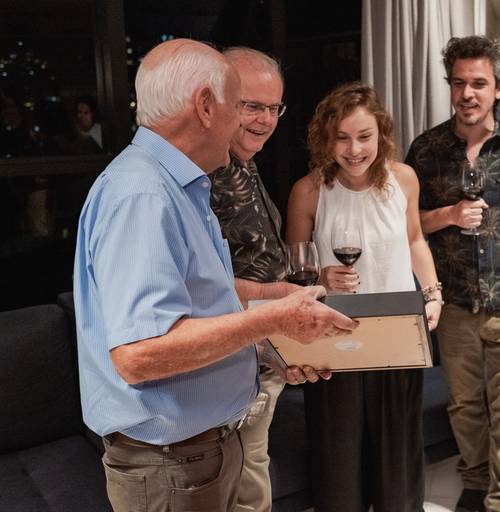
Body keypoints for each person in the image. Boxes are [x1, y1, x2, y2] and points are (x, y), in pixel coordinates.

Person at [73, 38, 357, 512]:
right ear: (206, 106)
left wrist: (266, 335)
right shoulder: (143, 195)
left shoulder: (180, 184)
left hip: (201, 450)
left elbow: (200, 296)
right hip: (171, 463)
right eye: (239, 104)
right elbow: (139, 354)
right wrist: (273, 319)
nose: (247, 122)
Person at [405, 35, 500, 512]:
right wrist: (449, 214)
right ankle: (475, 481)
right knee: (465, 405)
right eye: (458, 83)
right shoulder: (426, 149)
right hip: (453, 304)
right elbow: (407, 225)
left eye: (478, 83)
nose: (467, 93)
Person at [286, 81, 442, 512]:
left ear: (381, 134)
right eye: (342, 138)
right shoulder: (308, 191)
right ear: (326, 139)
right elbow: (294, 271)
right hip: (333, 341)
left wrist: (433, 293)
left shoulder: (404, 179)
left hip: (396, 334)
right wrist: (321, 276)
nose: (354, 150)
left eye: (364, 136)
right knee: (338, 466)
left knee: (398, 466)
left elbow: (414, 239)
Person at [209, 47, 293, 512]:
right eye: (252, 106)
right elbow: (202, 283)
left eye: (274, 108)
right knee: (241, 483)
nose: (265, 120)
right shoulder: (204, 171)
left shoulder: (244, 161)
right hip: (230, 358)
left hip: (261, 353)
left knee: (252, 467)